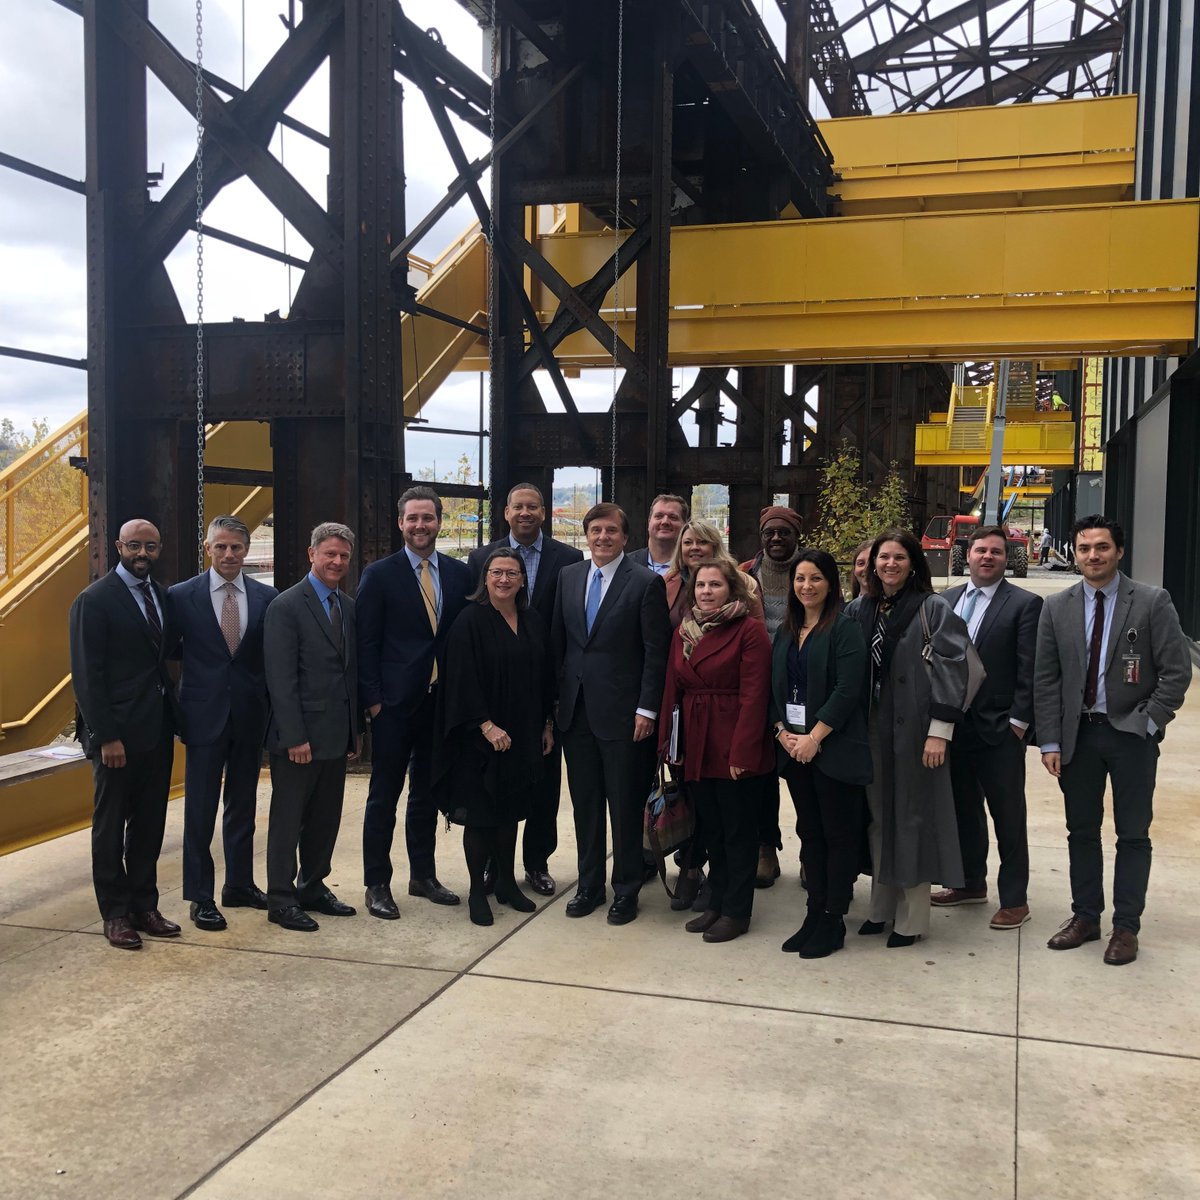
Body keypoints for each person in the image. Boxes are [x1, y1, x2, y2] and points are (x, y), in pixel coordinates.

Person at [1035, 515, 1191, 966]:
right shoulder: (1057, 606)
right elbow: (1046, 679)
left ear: (1118, 552)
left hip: (1130, 737)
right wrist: (1050, 740)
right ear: (1075, 552)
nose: (1092, 556)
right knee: (1080, 832)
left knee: (1132, 833)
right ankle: (1085, 917)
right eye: (1084, 548)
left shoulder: (1151, 601)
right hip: (1077, 737)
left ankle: (1126, 928)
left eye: (1102, 547)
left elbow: (1176, 671)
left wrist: (1149, 722)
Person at [846, 527, 970, 947]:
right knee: (879, 819)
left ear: (914, 562)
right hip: (870, 728)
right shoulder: (860, 609)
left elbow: (955, 668)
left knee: (912, 817)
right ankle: (880, 907)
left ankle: (912, 918)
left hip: (918, 730)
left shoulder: (932, 609)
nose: (890, 564)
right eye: (883, 557)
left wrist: (940, 731)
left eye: (899, 557)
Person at [553, 502, 671, 926]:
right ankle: (588, 886)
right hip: (575, 712)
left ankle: (626, 889)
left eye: (611, 531)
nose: (603, 538)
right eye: (595, 530)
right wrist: (554, 709)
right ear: (586, 535)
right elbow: (560, 645)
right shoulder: (568, 577)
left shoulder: (643, 583)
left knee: (623, 805)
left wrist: (647, 708)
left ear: (625, 537)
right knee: (585, 804)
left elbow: (656, 653)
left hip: (625, 716)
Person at [69, 518, 184, 950]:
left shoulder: (160, 595)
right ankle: (115, 914)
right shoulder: (94, 601)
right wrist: (105, 736)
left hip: (155, 728)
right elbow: (86, 677)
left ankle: (145, 905)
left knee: (150, 822)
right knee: (110, 824)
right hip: (116, 735)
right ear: (118, 545)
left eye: (150, 547)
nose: (142, 554)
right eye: (134, 546)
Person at [357, 486, 471, 919]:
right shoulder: (379, 574)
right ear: (400, 522)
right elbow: (366, 642)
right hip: (393, 705)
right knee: (383, 795)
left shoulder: (460, 575)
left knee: (426, 792)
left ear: (440, 521)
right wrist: (373, 704)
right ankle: (376, 883)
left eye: (428, 518)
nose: (420, 526)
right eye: (412, 518)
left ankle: (422, 875)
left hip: (439, 705)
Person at [466, 483, 582, 895]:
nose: (526, 513)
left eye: (533, 507)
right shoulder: (482, 557)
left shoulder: (569, 560)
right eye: (519, 506)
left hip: (541, 686)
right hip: (497, 690)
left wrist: (552, 708)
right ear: (506, 512)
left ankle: (537, 862)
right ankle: (493, 868)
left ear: (544, 513)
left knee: (543, 786)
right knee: (494, 784)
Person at [435, 548, 556, 926]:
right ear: (485, 578)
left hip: (522, 734)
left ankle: (506, 883)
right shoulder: (470, 620)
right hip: (481, 738)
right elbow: (459, 679)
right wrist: (486, 726)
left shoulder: (533, 619)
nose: (504, 580)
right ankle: (477, 891)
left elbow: (545, 676)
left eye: (512, 574)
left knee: (510, 814)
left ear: (522, 581)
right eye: (497, 573)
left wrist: (546, 725)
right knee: (482, 817)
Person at [169, 515, 277, 931]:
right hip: (202, 716)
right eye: (221, 547)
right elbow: (167, 653)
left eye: (236, 547)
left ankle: (240, 884)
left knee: (243, 804)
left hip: (249, 715)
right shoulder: (181, 597)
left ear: (246, 550)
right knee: (199, 808)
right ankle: (200, 896)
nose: (228, 554)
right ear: (207, 549)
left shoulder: (267, 598)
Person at [934, 525, 1042, 930]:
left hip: (1000, 730)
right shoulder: (946, 600)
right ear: (967, 554)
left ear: (1007, 558)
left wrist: (1018, 723)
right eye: (980, 550)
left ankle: (1015, 899)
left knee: (1008, 816)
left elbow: (1032, 668)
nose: (987, 557)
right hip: (954, 727)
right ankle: (969, 883)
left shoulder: (1025, 605)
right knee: (963, 809)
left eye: (996, 552)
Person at [660, 561, 773, 942]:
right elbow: (671, 690)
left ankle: (737, 911)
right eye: (701, 585)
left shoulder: (750, 631)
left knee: (739, 832)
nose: (706, 591)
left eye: (715, 585)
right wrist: (668, 742)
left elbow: (755, 696)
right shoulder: (684, 631)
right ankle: (717, 903)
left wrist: (743, 753)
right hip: (695, 741)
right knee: (712, 830)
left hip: (732, 741)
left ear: (732, 590)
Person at [771, 550, 871, 959]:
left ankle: (833, 918)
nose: (806, 586)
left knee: (838, 835)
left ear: (831, 583)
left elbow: (848, 690)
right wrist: (781, 732)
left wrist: (814, 736)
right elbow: (774, 686)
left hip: (832, 750)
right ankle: (813, 913)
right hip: (794, 749)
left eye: (815, 579)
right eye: (799, 579)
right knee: (809, 833)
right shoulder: (785, 630)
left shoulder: (844, 629)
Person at [263, 522, 361, 932]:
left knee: (325, 817)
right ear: (311, 554)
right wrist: (294, 736)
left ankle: (314, 885)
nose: (337, 562)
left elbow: (349, 674)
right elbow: (280, 679)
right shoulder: (285, 607)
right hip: (299, 738)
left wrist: (355, 730)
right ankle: (281, 899)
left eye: (343, 556)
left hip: (336, 733)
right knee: (289, 818)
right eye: (330, 554)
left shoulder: (348, 606)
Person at [740, 505, 804, 887]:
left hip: (801, 688)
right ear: (760, 536)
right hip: (756, 687)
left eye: (784, 532)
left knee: (802, 771)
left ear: (797, 535)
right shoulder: (745, 574)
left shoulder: (812, 572)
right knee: (760, 774)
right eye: (769, 533)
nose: (776, 539)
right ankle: (766, 846)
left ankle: (812, 849)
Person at [664, 519, 763, 628]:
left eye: (702, 542)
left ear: (715, 546)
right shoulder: (666, 583)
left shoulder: (744, 582)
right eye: (688, 542)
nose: (695, 547)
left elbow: (757, 632)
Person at [629, 493, 688, 576]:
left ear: (684, 525)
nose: (665, 522)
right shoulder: (625, 565)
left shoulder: (692, 567)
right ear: (649, 523)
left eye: (673, 517)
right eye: (659, 516)